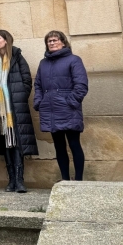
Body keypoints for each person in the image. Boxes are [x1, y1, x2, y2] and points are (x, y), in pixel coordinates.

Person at [0, 29, 38, 193]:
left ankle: (20, 181)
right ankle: (11, 180)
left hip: (15, 108)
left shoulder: (17, 56)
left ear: (6, 40)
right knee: (6, 143)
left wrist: (20, 97)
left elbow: (27, 79)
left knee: (17, 143)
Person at [34, 30, 88, 182]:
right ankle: (64, 180)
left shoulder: (74, 60)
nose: (51, 43)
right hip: (50, 109)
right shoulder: (43, 63)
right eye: (49, 41)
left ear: (63, 42)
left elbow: (81, 85)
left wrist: (70, 102)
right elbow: (37, 84)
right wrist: (39, 101)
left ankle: (78, 180)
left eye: (54, 40)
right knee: (59, 146)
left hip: (68, 109)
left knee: (74, 144)